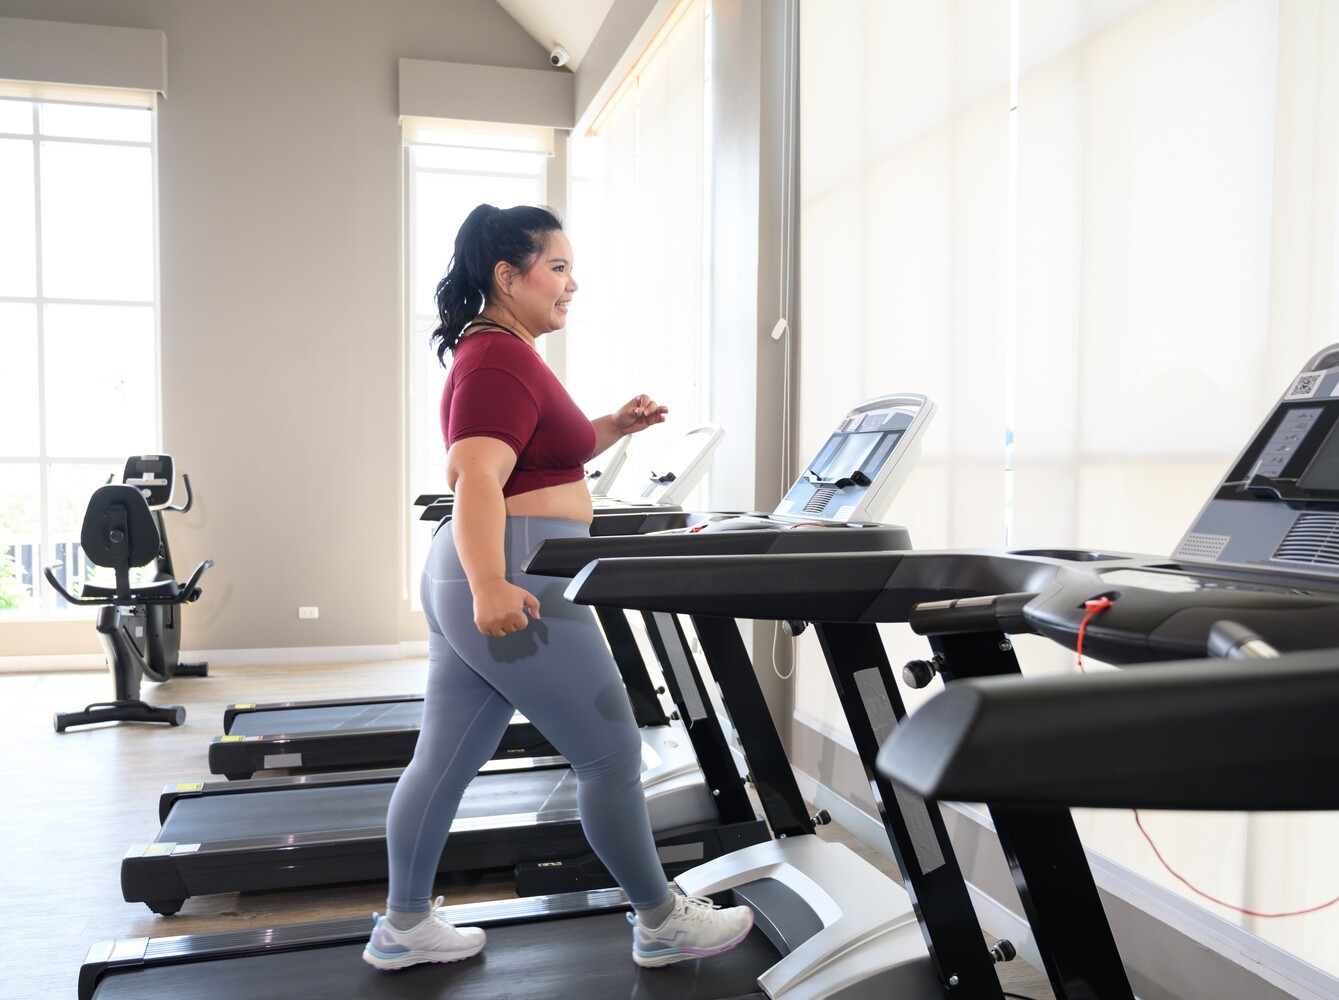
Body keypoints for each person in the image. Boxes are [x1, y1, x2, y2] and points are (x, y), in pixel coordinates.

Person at [363, 204, 754, 972]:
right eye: (559, 267)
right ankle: (660, 920)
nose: (573, 283)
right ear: (508, 277)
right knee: (609, 752)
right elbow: (477, 474)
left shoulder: (503, 353)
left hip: (494, 560)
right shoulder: (499, 358)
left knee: (442, 757)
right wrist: (488, 585)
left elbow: (544, 457)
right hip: (514, 567)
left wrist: (614, 424)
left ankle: (404, 925)